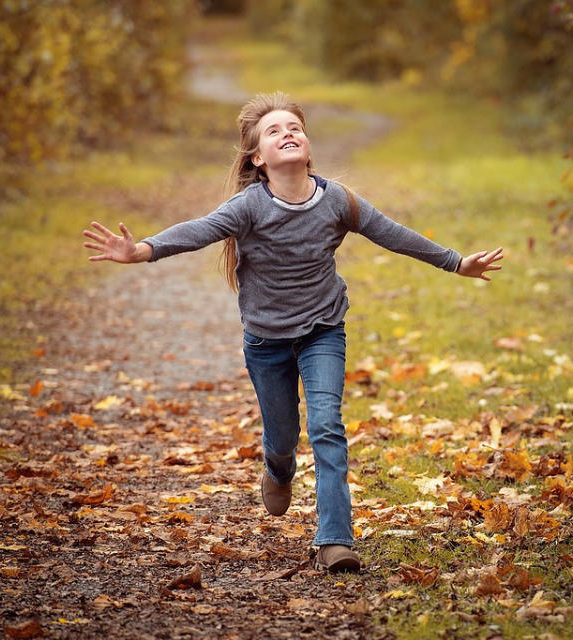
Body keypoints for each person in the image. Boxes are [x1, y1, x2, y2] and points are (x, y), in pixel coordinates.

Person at [82, 92, 503, 572]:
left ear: (307, 145)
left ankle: (334, 540)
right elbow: (199, 229)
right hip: (266, 340)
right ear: (258, 158)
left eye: (295, 127)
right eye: (274, 131)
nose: (288, 133)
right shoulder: (249, 207)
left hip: (323, 329)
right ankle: (278, 470)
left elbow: (395, 233)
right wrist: (142, 250)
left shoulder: (338, 201)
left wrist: (456, 262)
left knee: (327, 425)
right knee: (283, 438)